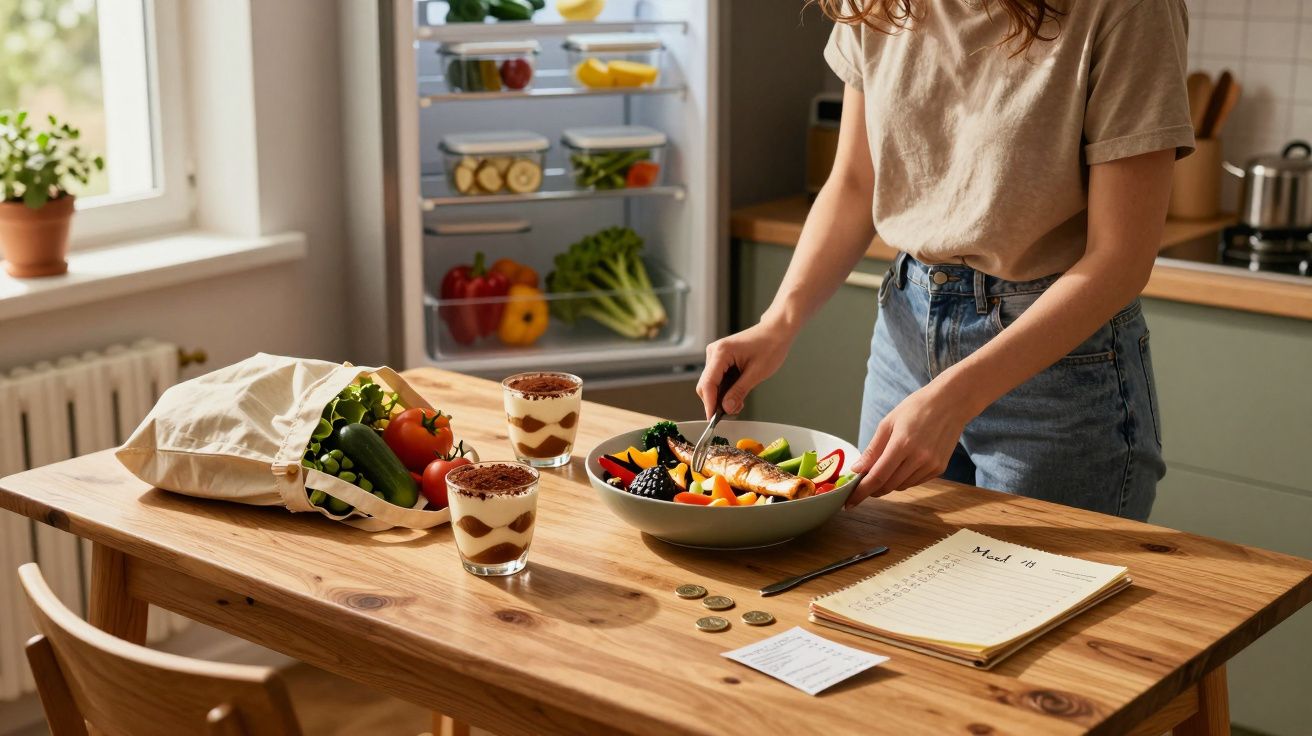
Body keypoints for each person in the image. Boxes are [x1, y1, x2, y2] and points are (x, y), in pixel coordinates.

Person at [698, 0, 1193, 521]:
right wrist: (779, 322)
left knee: (1030, 599)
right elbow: (853, 183)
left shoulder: (1128, 9)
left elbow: (1120, 260)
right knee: (881, 578)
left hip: (1055, 366)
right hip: (905, 336)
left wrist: (954, 399)